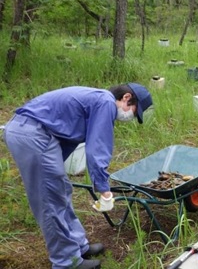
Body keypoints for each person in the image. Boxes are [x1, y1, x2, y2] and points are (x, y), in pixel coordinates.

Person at [2, 83, 153, 269]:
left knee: (61, 190)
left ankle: (78, 246)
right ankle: (67, 262)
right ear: (127, 98)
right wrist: (104, 190)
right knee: (50, 201)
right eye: (133, 110)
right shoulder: (105, 102)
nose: (129, 116)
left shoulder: (98, 100)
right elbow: (97, 149)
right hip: (32, 134)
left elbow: (70, 137)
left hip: (37, 133)